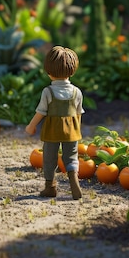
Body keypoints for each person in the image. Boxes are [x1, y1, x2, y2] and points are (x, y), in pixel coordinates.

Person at [25, 46, 84, 200]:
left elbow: (41, 112)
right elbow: (78, 114)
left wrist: (31, 126)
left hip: (52, 131)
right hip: (72, 130)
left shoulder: (48, 92)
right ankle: (74, 180)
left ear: (49, 72)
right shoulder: (77, 92)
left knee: (49, 157)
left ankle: (50, 187)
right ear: (72, 71)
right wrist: (77, 131)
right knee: (71, 157)